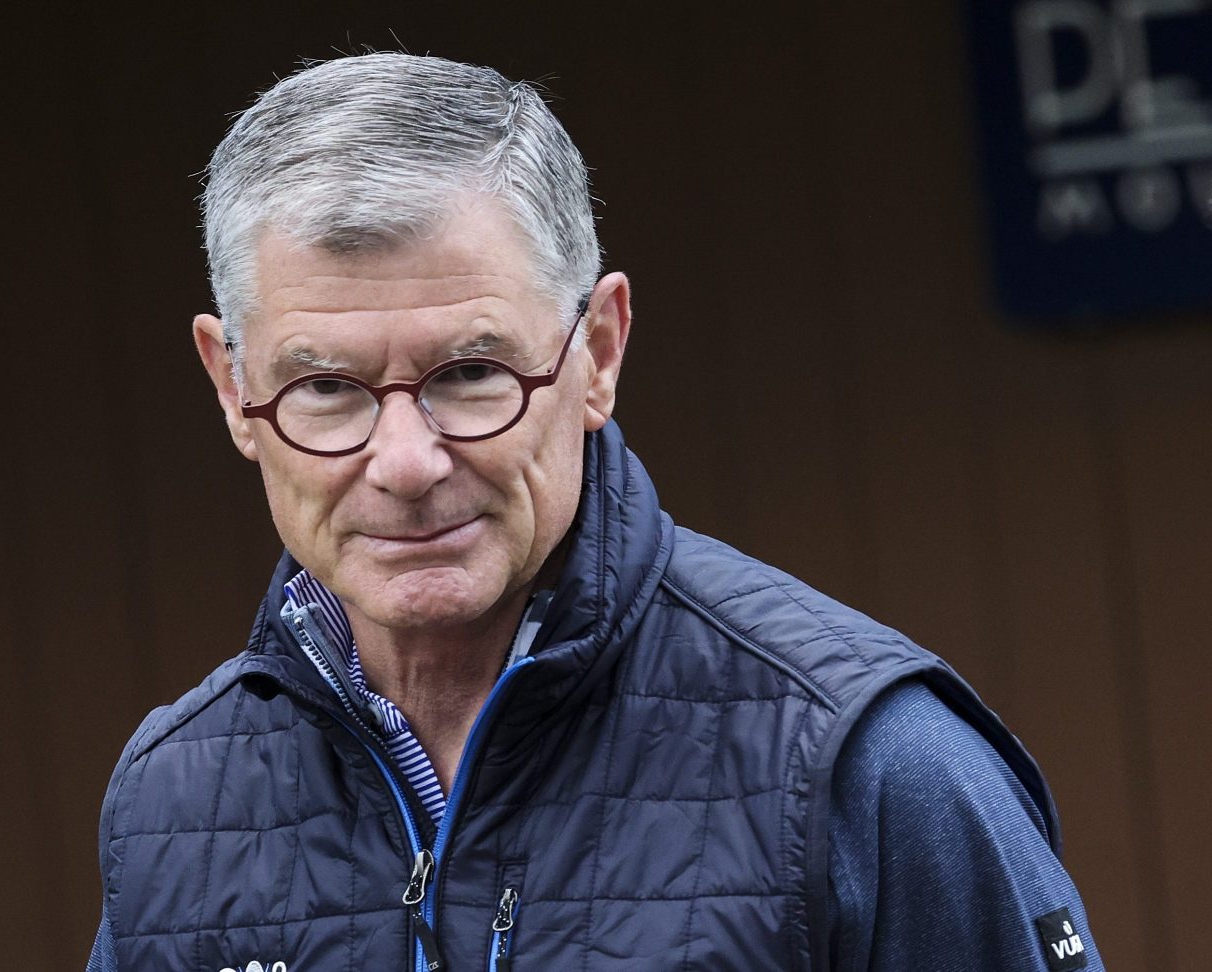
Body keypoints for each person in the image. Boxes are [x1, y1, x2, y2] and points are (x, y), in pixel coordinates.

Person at [87, 53, 1103, 972]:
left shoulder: (870, 771)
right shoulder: (174, 807)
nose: (403, 463)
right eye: (326, 391)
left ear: (600, 353)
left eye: (472, 373)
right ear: (231, 389)